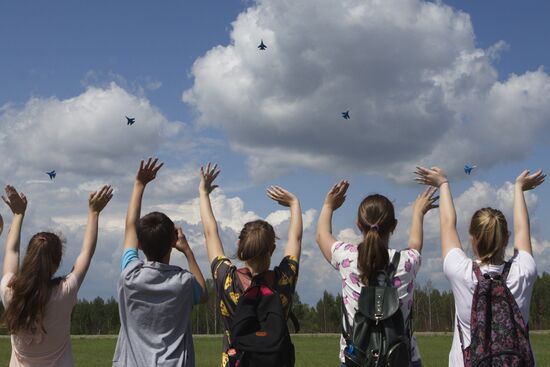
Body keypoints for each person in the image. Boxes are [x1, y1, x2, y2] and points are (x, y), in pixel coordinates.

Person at [414, 167, 545, 366]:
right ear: (506, 238)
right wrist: (519, 188)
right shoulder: (524, 271)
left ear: (472, 239)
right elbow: (522, 229)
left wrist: (443, 184)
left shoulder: (460, 271)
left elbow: (448, 224)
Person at [316, 180, 437, 367]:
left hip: (355, 358)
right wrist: (418, 213)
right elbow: (415, 244)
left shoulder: (347, 257)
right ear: (394, 226)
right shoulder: (407, 262)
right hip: (401, 358)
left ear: (358, 224)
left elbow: (321, 235)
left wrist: (328, 206)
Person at [198, 163, 302, 367]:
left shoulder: (226, 279)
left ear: (239, 246)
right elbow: (295, 239)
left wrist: (203, 192)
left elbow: (210, 233)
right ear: (272, 250)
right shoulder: (284, 280)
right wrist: (294, 204)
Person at [1, 184, 113, 366]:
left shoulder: (10, 292)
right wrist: (94, 212)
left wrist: (18, 215)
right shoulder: (64, 292)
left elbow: (11, 252)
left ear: (29, 256)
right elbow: (86, 253)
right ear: (57, 261)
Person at [113, 158, 208, 367]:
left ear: (139, 244)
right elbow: (203, 293)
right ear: (173, 242)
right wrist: (188, 252)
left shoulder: (129, 275)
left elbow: (130, 226)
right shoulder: (183, 282)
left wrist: (139, 184)